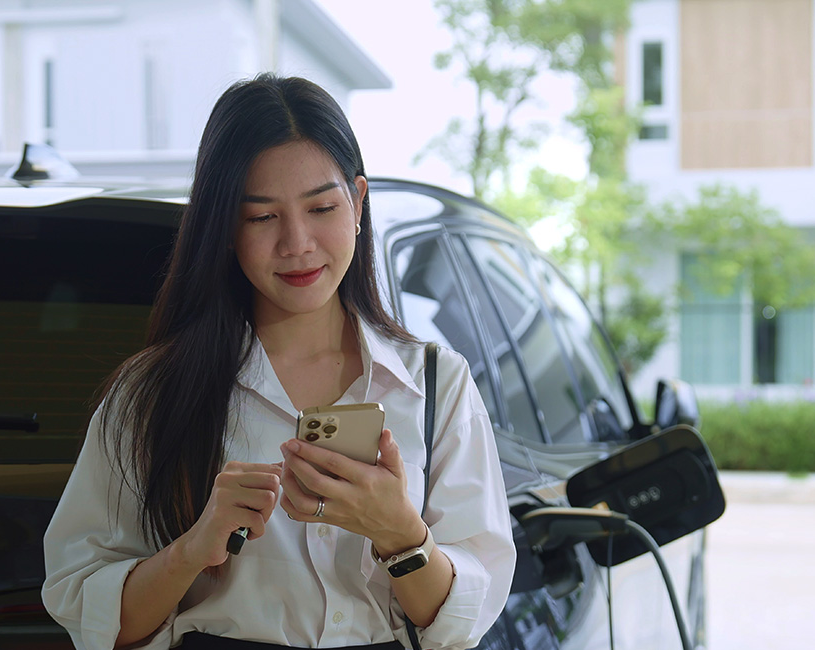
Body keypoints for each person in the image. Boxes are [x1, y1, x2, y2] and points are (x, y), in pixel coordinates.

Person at [42, 74, 515, 650]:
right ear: (224, 228)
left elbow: (461, 624)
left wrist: (401, 536)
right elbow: (91, 618)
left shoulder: (436, 384)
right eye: (262, 217)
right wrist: (192, 550)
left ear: (358, 203)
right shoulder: (152, 394)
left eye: (321, 207)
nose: (297, 243)